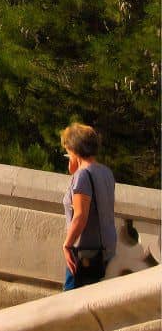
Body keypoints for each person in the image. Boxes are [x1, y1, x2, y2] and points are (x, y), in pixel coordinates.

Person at [60, 123, 117, 289]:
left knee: (71, 304)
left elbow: (80, 216)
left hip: (85, 252)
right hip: (106, 250)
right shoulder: (106, 172)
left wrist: (67, 245)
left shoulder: (82, 176)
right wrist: (75, 169)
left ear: (73, 148)